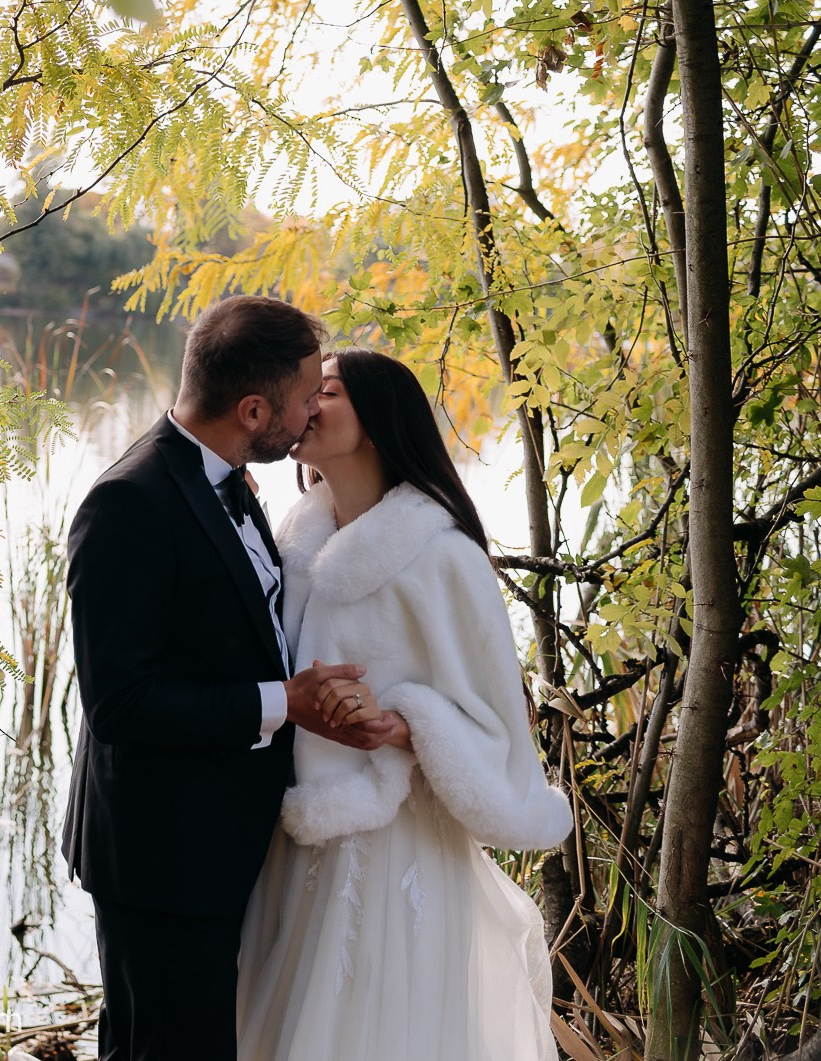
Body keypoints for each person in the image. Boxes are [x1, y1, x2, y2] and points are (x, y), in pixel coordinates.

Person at [60, 296, 398, 1061]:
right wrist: (287, 703)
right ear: (253, 408)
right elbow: (121, 702)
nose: (315, 408)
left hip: (218, 843)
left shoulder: (232, 479)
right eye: (308, 393)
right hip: (159, 856)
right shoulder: (128, 504)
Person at [236, 349, 572, 1060]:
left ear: (379, 418)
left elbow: (498, 722)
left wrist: (405, 721)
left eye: (325, 390)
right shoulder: (293, 540)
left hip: (395, 845)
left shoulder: (443, 556)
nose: (305, 403)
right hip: (293, 837)